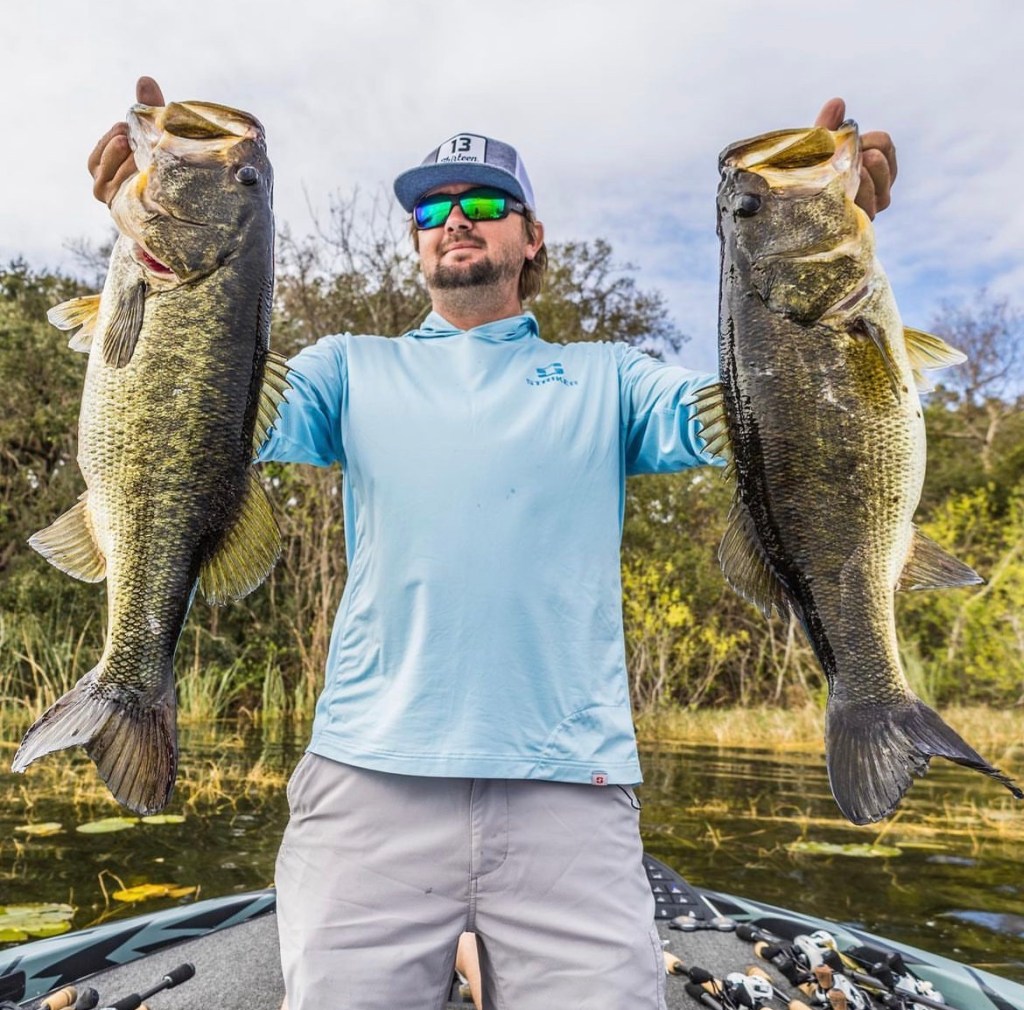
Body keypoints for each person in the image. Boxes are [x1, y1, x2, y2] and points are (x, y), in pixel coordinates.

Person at [90, 78, 897, 1010]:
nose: (455, 221)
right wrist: (150, 240)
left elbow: (765, 416)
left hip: (571, 792)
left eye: (483, 203)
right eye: (432, 210)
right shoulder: (345, 368)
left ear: (532, 236)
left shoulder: (612, 377)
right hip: (366, 785)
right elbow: (204, 407)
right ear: (415, 243)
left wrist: (811, 256)